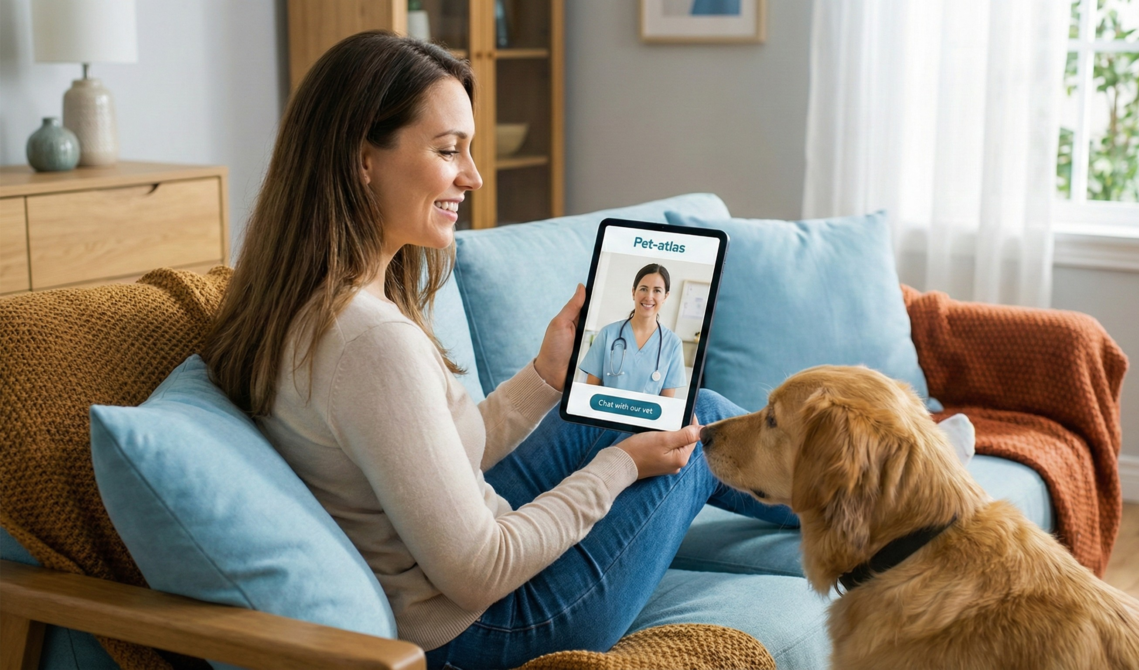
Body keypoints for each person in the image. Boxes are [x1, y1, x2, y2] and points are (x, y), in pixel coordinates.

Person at [203, 32, 795, 670]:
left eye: (470, 150)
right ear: (362, 158)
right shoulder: (370, 342)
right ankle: (866, 509)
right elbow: (480, 570)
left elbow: (439, 455)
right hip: (488, 627)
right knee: (691, 423)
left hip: (455, 567)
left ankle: (855, 502)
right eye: (448, 150)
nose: (473, 176)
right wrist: (620, 466)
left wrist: (545, 375)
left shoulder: (321, 301)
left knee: (655, 404)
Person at [579, 263, 688, 397]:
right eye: (643, 289)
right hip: (604, 414)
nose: (649, 296)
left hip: (646, 417)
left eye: (657, 290)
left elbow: (666, 403)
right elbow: (590, 391)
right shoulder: (608, 334)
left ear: (665, 296)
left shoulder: (673, 343)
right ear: (633, 292)